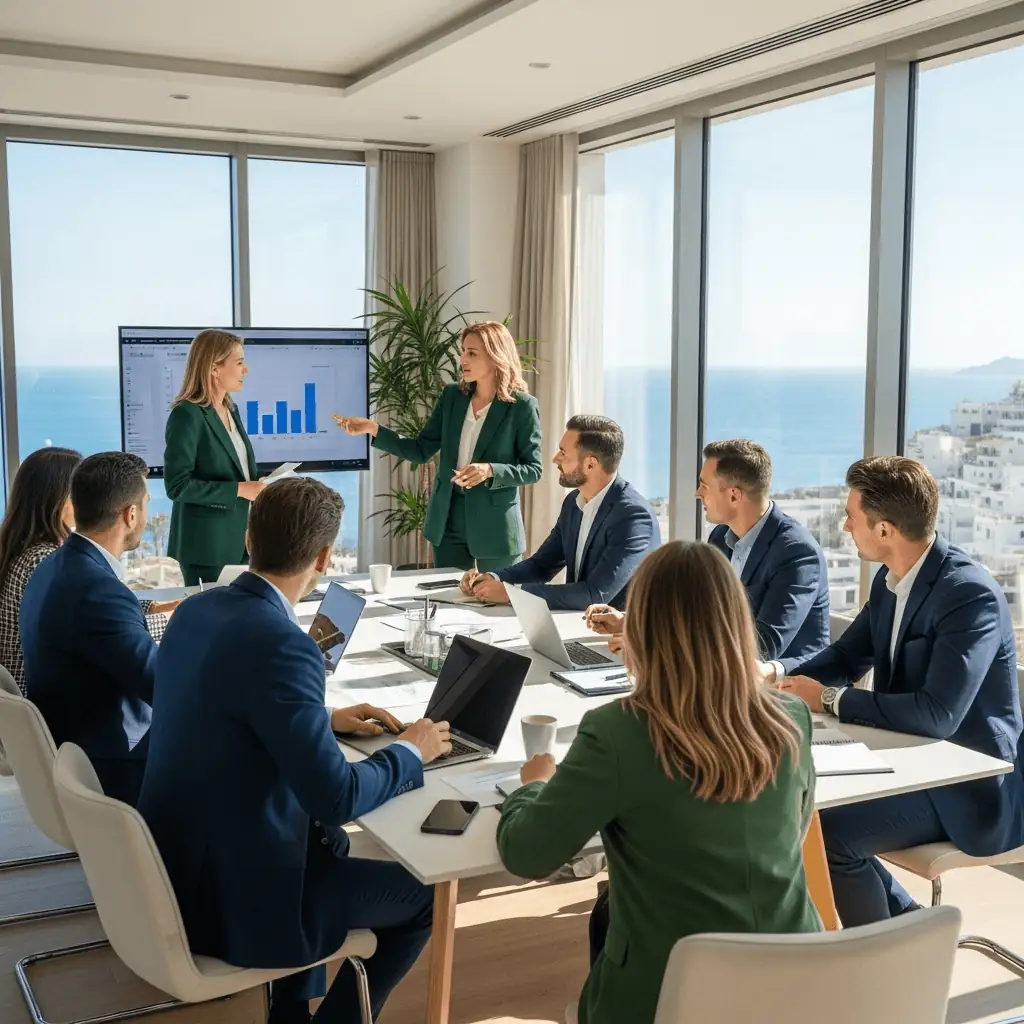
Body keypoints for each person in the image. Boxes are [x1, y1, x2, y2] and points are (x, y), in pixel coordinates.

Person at [139, 477, 452, 1024]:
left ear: (248, 537)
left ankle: (289, 1010)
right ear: (325, 557)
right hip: (238, 901)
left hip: (171, 870)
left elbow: (224, 710)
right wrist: (409, 751)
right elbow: (337, 797)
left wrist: (323, 720)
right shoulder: (285, 645)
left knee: (324, 841)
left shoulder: (195, 611)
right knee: (423, 898)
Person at [496, 541, 819, 1024]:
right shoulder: (790, 716)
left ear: (641, 628)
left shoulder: (618, 732)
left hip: (670, 997)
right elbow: (796, 828)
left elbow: (526, 854)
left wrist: (532, 786)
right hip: (798, 987)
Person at [764, 456, 1024, 927]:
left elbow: (937, 715)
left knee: (830, 833)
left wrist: (829, 699)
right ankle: (909, 931)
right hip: (911, 764)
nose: (845, 526)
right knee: (799, 806)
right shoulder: (891, 583)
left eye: (852, 516)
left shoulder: (968, 594)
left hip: (968, 788)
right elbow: (845, 658)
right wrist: (773, 680)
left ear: (883, 529)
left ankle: (881, 959)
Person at [587, 439, 829, 659]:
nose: (697, 493)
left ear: (734, 496)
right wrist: (630, 623)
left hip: (781, 686)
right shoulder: (721, 536)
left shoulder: (796, 553)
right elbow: (697, 613)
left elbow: (762, 647)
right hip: (722, 676)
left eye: (704, 485)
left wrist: (653, 646)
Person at [334, 321, 542, 571]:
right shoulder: (453, 397)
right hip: (448, 519)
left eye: (472, 353)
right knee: (448, 592)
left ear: (495, 356)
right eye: (463, 351)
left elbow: (533, 469)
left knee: (498, 593)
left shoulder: (521, 406)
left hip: (496, 526)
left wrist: (490, 470)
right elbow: (421, 449)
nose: (462, 360)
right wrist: (373, 429)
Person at [21, 452, 162, 806]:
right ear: (131, 515)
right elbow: (163, 686)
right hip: (110, 768)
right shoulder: (98, 591)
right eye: (146, 503)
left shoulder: (54, 565)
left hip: (73, 749)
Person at [0, 447, 178, 694]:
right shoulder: (44, 560)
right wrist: (175, 621)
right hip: (55, 700)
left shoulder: (51, 559)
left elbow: (95, 611)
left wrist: (154, 607)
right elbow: (163, 686)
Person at [464, 416, 659, 611]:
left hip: (619, 628)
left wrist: (510, 594)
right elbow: (541, 565)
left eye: (563, 453)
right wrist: (492, 579)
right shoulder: (573, 502)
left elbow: (594, 594)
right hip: (577, 619)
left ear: (591, 464)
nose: (555, 459)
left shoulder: (632, 516)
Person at [164, 329, 264, 587]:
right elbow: (177, 486)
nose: (246, 370)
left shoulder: (230, 409)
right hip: (206, 548)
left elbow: (236, 468)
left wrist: (258, 483)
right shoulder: (187, 415)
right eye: (239, 363)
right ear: (214, 368)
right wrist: (239, 489)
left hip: (240, 541)